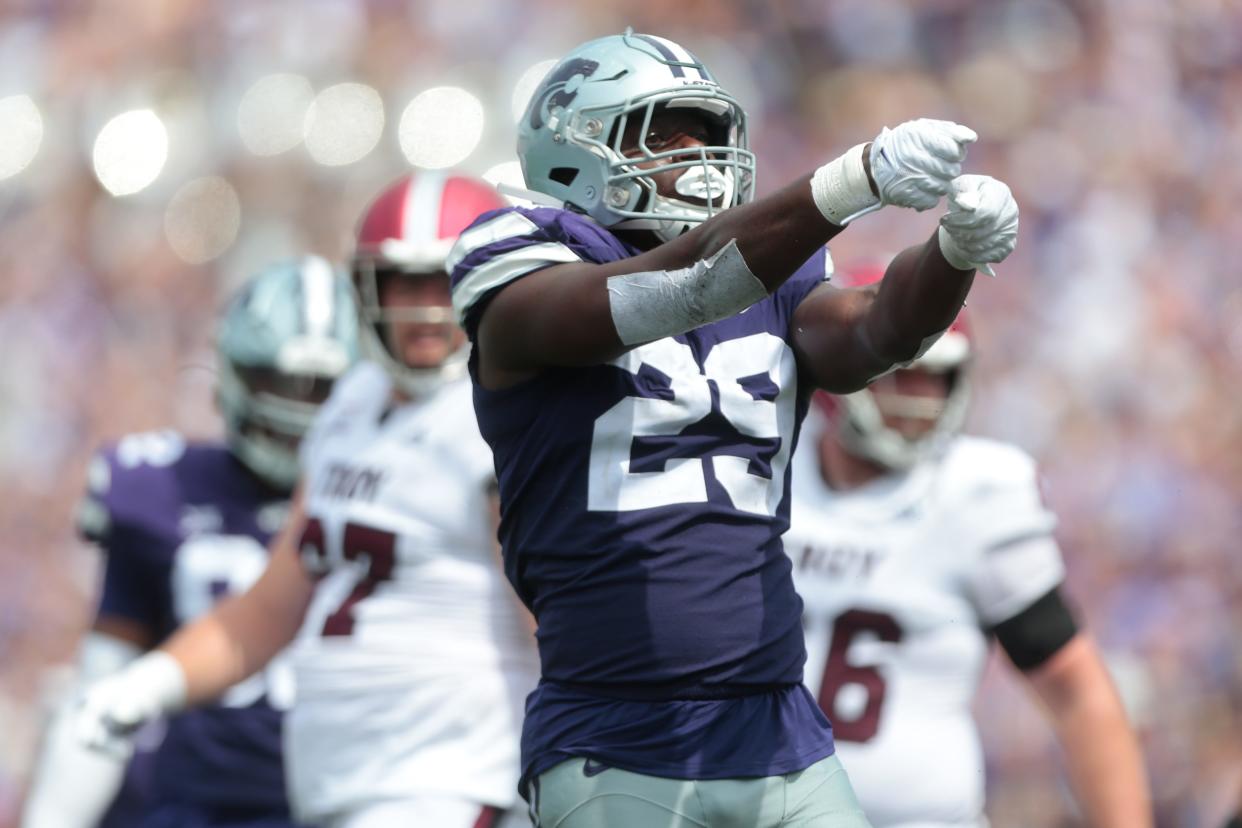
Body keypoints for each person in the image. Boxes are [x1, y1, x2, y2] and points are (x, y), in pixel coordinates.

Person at [446, 30, 1019, 828]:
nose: (702, 154)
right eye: (669, 132)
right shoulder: (521, 255)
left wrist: (951, 256)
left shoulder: (764, 271)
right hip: (618, 734)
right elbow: (682, 288)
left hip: (780, 727)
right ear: (576, 147)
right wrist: (851, 182)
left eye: (710, 132)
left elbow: (870, 338)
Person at [73, 171, 539, 828]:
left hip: (449, 782)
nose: (425, 308)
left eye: (445, 281)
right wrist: (147, 685)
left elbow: (556, 618)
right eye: (405, 283)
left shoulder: (495, 423)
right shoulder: (353, 408)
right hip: (346, 790)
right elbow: (269, 609)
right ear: (367, 289)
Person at [785, 266, 1152, 827]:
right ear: (841, 365)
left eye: (938, 378)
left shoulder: (975, 495)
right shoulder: (761, 470)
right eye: (903, 373)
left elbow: (1079, 693)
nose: (922, 397)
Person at [21, 256, 359, 828]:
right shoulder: (156, 484)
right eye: (278, 382)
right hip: (201, 805)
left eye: (323, 388)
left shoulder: (390, 489)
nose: (298, 407)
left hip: (352, 793)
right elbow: (103, 686)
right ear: (231, 371)